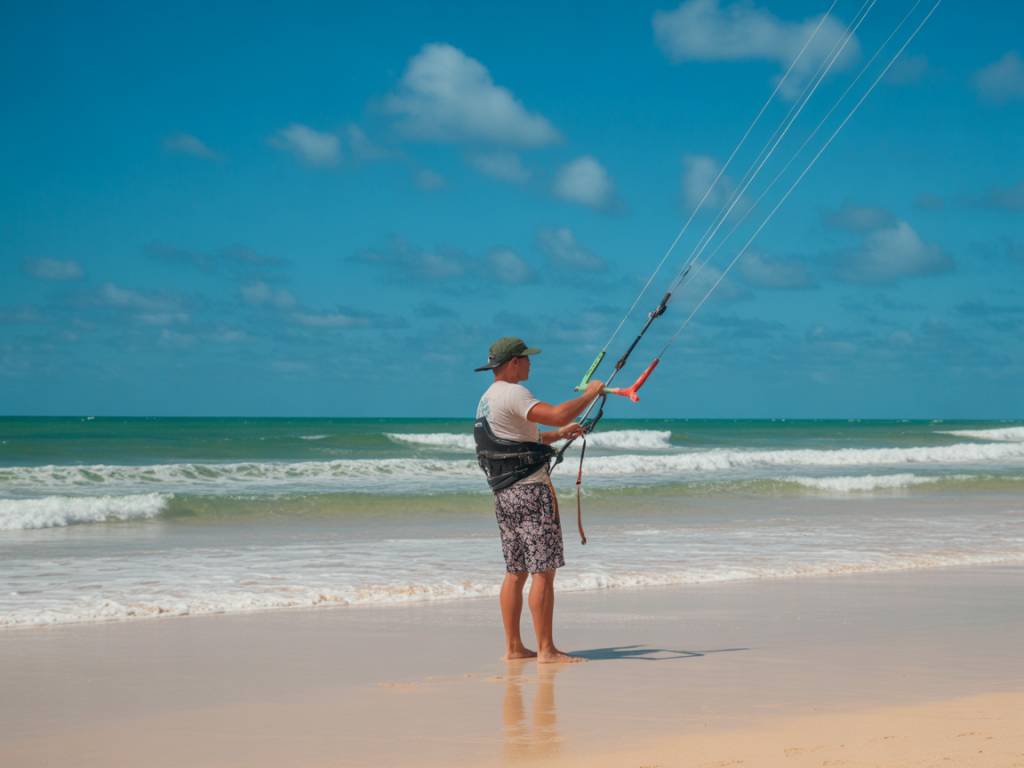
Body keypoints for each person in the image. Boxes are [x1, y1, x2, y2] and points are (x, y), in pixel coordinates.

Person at [473, 336, 604, 663]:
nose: (531, 364)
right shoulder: (515, 393)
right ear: (514, 362)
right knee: (542, 571)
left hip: (504, 495)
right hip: (530, 491)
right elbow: (558, 413)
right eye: (527, 359)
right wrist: (592, 393)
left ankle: (514, 647)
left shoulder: (487, 398)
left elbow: (517, 437)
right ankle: (547, 650)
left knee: (515, 571)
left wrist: (558, 436)